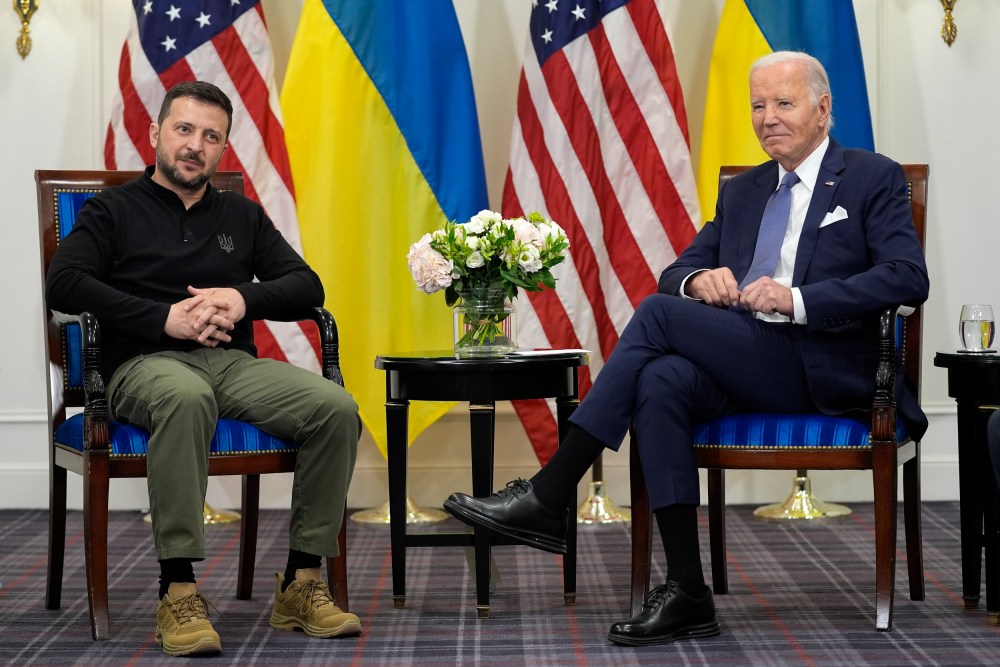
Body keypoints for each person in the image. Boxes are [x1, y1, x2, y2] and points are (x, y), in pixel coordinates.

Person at [444, 51, 929, 646]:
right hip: (747, 361)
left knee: (655, 319)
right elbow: (679, 270)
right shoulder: (746, 191)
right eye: (757, 105)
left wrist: (798, 299)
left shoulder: (870, 176)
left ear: (823, 109)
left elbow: (908, 277)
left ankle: (550, 491)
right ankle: (687, 591)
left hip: (823, 366)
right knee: (661, 379)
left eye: (784, 103)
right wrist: (698, 281)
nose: (767, 117)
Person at [45, 81, 362, 657]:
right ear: (156, 133)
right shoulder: (110, 210)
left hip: (230, 363)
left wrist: (242, 300)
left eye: (210, 137)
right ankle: (178, 587)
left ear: (222, 151)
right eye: (184, 129)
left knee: (335, 408)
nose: (194, 145)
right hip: (143, 362)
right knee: (186, 396)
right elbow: (63, 283)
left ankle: (301, 580)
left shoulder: (241, 215)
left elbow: (306, 285)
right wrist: (162, 319)